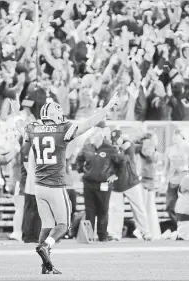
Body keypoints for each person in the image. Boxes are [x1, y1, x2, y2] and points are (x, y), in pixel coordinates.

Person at [13, 92, 119, 274]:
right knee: (63, 225)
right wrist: (108, 107)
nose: (61, 113)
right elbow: (89, 123)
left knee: (47, 224)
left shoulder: (33, 128)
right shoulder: (62, 129)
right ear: (53, 115)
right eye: (58, 110)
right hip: (55, 185)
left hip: (38, 186)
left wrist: (16, 111)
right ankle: (46, 246)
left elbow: (19, 127)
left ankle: (45, 266)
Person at [76, 124, 123, 242]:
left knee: (103, 210)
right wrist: (81, 172)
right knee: (89, 210)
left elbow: (122, 162)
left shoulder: (110, 148)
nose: (94, 136)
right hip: (88, 183)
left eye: (96, 133)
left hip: (104, 184)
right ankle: (89, 236)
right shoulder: (87, 147)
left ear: (101, 135)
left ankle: (102, 236)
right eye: (93, 133)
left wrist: (116, 175)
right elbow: (79, 159)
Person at [163, 128, 189, 228]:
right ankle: (180, 225)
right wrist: (163, 180)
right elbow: (166, 167)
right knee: (170, 207)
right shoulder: (169, 149)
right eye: (174, 135)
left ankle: (188, 227)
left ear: (182, 137)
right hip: (173, 181)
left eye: (177, 135)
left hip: (185, 181)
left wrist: (185, 168)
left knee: (185, 206)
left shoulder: (188, 149)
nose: (175, 137)